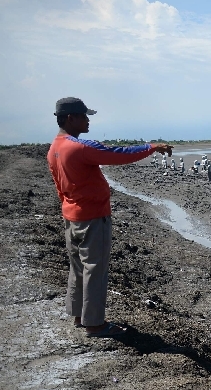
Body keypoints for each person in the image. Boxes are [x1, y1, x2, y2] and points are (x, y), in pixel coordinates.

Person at [47, 97, 172, 338]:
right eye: (84, 116)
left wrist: (71, 207)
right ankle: (94, 324)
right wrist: (151, 147)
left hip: (71, 217)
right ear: (71, 118)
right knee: (95, 268)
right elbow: (117, 154)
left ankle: (78, 315)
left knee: (78, 267)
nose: (88, 120)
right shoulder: (78, 147)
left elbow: (59, 188)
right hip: (92, 217)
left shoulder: (54, 148)